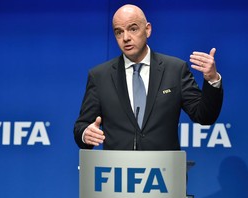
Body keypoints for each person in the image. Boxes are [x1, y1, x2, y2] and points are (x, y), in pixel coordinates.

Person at [74, 4, 223, 150]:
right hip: (118, 172)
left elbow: (204, 117)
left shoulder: (175, 70)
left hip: (164, 171)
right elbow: (81, 126)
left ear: (148, 30)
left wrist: (212, 79)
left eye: (133, 29)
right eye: (119, 32)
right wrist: (85, 134)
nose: (125, 38)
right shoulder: (100, 76)